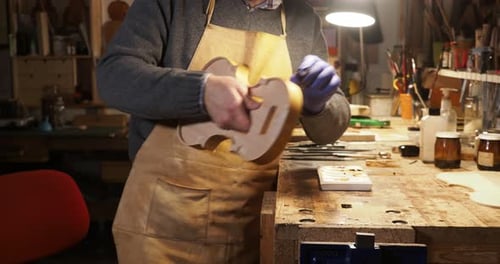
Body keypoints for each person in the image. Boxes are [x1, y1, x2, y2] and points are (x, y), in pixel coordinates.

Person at [96, 0, 351, 263]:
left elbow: (331, 130)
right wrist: (201, 91)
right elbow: (114, 77)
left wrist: (318, 106)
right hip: (166, 225)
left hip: (257, 223)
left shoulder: (302, 19)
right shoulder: (171, 4)